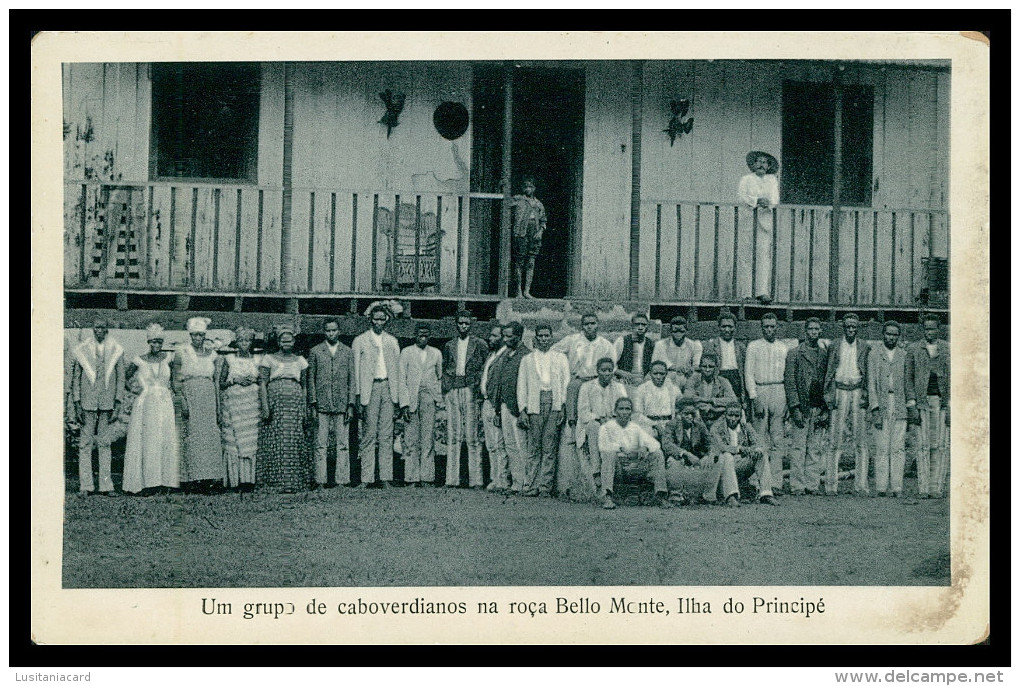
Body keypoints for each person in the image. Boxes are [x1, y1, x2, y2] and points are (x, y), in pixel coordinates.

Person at [122, 323, 179, 495]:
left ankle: (165, 482)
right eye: (153, 342)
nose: (156, 345)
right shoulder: (139, 360)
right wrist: (134, 390)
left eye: (159, 342)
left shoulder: (169, 358)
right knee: (149, 440)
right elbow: (124, 377)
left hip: (165, 401)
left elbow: (174, 381)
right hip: (146, 403)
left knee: (165, 439)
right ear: (148, 342)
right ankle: (148, 482)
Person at [70, 318, 125, 496]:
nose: (99, 330)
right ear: (92, 329)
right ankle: (85, 486)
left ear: (107, 329)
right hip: (87, 404)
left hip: (107, 404)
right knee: (85, 444)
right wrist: (77, 403)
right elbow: (76, 379)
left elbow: (121, 379)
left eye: (102, 327)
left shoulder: (116, 350)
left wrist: (117, 403)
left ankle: (106, 486)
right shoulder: (82, 349)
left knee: (104, 443)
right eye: (96, 327)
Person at [517, 324, 571, 497]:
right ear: (536, 338)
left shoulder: (560, 358)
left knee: (549, 445)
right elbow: (522, 385)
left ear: (551, 337)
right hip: (534, 402)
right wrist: (523, 409)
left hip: (553, 402)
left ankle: (545, 486)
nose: (544, 339)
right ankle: (531, 484)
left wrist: (562, 406)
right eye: (540, 336)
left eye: (547, 336)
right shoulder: (528, 359)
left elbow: (565, 384)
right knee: (534, 446)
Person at [352, 304, 402, 487]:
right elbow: (356, 370)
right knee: (368, 434)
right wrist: (358, 395)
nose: (379, 322)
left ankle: (385, 477)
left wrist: (397, 397)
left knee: (386, 435)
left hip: (387, 387)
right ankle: (366, 478)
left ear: (386, 320)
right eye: (376, 319)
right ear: (370, 319)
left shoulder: (392, 341)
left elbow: (397, 370)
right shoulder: (360, 341)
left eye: (382, 319)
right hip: (369, 388)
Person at [173, 316, 224, 492]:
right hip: (191, 395)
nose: (197, 338)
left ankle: (209, 478)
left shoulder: (213, 354)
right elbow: (176, 381)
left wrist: (217, 406)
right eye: (194, 335)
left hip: (208, 397)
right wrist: (183, 402)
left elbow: (216, 382)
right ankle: (192, 479)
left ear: (204, 335)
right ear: (190, 335)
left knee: (209, 438)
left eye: (200, 335)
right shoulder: (182, 352)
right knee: (192, 437)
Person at [257, 326, 311, 493]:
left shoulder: (300, 361)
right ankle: (275, 483)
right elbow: (263, 384)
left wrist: (304, 408)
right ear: (278, 342)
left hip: (294, 406)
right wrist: (265, 406)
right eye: (283, 341)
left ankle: (293, 483)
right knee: (277, 441)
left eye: (289, 341)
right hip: (276, 406)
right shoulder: (268, 359)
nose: (286, 343)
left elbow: (304, 386)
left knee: (293, 440)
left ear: (294, 342)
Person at [823, 313, 871, 496]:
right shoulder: (835, 345)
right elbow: (828, 371)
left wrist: (866, 394)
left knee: (861, 440)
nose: (851, 329)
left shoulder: (864, 347)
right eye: (848, 326)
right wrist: (828, 393)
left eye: (854, 327)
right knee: (835, 439)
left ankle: (861, 485)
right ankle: (831, 485)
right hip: (839, 389)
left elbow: (867, 372)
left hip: (857, 390)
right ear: (843, 327)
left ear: (857, 328)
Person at [596, 397, 671, 510]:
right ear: (615, 411)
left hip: (635, 466)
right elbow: (603, 446)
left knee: (657, 454)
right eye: (621, 409)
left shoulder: (635, 427)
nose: (625, 412)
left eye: (628, 409)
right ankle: (607, 497)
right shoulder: (606, 427)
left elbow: (655, 444)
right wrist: (622, 449)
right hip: (618, 467)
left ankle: (660, 495)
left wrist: (645, 448)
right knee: (609, 455)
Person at [441, 310, 489, 488]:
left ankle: (476, 480)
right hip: (454, 388)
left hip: (470, 389)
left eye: (466, 323)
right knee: (453, 435)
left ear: (471, 325)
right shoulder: (449, 345)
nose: (463, 326)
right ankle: (451, 479)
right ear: (456, 324)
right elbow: (446, 366)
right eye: (460, 323)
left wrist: (477, 384)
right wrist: (446, 387)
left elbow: (485, 366)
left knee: (472, 436)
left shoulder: (479, 344)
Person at [905, 313, 950, 499]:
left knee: (940, 446)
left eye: (932, 328)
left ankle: (936, 487)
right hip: (922, 402)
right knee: (922, 445)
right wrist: (912, 404)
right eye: (926, 328)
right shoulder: (914, 349)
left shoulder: (947, 349)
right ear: (922, 330)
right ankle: (923, 488)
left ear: (938, 329)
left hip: (941, 402)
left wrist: (951, 404)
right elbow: (908, 379)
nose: (929, 331)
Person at [307, 318, 355, 489]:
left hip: (341, 403)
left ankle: (342, 480)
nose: (331, 333)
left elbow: (352, 379)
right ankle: (320, 480)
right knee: (321, 443)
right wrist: (313, 402)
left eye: (334, 330)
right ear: (324, 332)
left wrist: (350, 404)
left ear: (339, 331)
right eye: (328, 330)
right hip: (322, 403)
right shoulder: (316, 351)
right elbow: (311, 378)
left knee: (342, 444)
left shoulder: (347, 352)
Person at [744, 313, 789, 494]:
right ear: (761, 328)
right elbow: (748, 373)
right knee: (759, 438)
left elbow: (786, 375)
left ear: (777, 327)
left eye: (772, 326)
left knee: (777, 439)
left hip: (779, 390)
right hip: (761, 389)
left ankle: (776, 482)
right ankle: (759, 481)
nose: (769, 329)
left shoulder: (783, 347)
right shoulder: (754, 346)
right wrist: (754, 397)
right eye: (766, 326)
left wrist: (786, 402)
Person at [783, 317, 828, 496]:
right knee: (798, 447)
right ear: (805, 331)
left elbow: (828, 380)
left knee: (815, 447)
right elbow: (790, 382)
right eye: (811, 329)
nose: (814, 333)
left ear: (820, 331)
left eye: (817, 329)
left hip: (818, 405)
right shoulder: (794, 353)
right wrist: (794, 407)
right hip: (803, 406)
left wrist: (826, 408)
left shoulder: (824, 354)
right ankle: (797, 484)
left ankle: (812, 483)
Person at [573, 357, 629, 500]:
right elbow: (583, 413)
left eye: (610, 370)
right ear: (597, 371)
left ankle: (608, 488)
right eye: (603, 370)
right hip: (591, 428)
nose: (607, 374)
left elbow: (624, 410)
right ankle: (596, 470)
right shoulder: (587, 387)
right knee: (594, 426)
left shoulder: (618, 388)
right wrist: (598, 417)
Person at [868, 321, 912, 498]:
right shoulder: (875, 354)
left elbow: (908, 382)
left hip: (899, 403)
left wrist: (909, 406)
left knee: (898, 447)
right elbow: (871, 383)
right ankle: (880, 487)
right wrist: (875, 407)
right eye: (888, 334)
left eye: (895, 335)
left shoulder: (904, 354)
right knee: (882, 446)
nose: (891, 337)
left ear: (898, 337)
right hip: (882, 401)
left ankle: (897, 487)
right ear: (883, 334)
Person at [216, 326, 261, 492]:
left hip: (251, 404)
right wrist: (234, 380)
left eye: (248, 340)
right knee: (234, 442)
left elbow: (263, 381)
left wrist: (253, 380)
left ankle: (249, 480)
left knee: (250, 440)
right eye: (241, 340)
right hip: (234, 404)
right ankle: (236, 480)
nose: (244, 344)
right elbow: (221, 383)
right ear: (237, 342)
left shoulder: (257, 359)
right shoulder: (229, 359)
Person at [710, 401, 779, 506]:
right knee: (727, 455)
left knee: (761, 455)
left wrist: (757, 450)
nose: (733, 419)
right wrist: (740, 449)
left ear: (740, 416)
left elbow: (758, 443)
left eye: (736, 416)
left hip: (740, 465)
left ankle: (766, 494)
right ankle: (731, 496)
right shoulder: (716, 428)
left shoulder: (746, 427)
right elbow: (721, 447)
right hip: (721, 468)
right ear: (725, 415)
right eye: (730, 415)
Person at [399, 323, 443, 487]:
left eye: (426, 334)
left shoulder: (436, 353)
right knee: (410, 438)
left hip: (428, 398)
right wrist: (404, 404)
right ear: (415, 335)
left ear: (430, 335)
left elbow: (439, 377)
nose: (422, 337)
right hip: (411, 398)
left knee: (427, 438)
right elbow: (401, 379)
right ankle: (411, 477)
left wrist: (437, 397)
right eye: (419, 334)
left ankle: (427, 477)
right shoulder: (407, 352)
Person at [661, 397, 726, 506]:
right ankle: (676, 496)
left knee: (718, 459)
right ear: (680, 414)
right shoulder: (671, 425)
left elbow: (711, 442)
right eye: (686, 414)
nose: (690, 417)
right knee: (672, 461)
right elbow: (667, 444)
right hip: (680, 460)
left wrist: (710, 455)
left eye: (692, 413)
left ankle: (709, 496)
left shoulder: (699, 425)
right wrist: (685, 453)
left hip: (697, 461)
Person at [490, 321, 530, 494]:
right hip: (505, 405)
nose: (505, 339)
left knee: (522, 446)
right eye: (504, 336)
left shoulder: (526, 356)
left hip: (519, 407)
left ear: (519, 336)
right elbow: (499, 382)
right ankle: (515, 482)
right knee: (510, 445)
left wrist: (524, 410)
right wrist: (498, 409)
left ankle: (526, 483)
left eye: (509, 336)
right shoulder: (506, 354)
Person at [738, 150, 780, 304]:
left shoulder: (772, 180)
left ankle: (761, 291)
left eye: (765, 162)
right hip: (748, 220)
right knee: (746, 256)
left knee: (763, 255)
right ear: (753, 164)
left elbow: (775, 198)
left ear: (768, 166)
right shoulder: (746, 179)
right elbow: (742, 196)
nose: (761, 165)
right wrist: (756, 200)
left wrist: (768, 203)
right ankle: (746, 293)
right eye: (758, 161)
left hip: (764, 221)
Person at [479, 323, 509, 493]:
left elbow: (500, 384)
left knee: (499, 443)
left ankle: (502, 479)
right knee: (491, 443)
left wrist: (497, 409)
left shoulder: (504, 356)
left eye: (495, 336)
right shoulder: (492, 354)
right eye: (491, 336)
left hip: (495, 402)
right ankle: (494, 478)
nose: (491, 339)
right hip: (486, 401)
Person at [509, 175, 547, 299]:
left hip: (534, 234)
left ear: (534, 188)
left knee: (531, 262)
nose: (528, 189)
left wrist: (540, 231)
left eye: (530, 187)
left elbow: (543, 220)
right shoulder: (518, 199)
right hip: (521, 233)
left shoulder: (538, 204)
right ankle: (518, 291)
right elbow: (505, 204)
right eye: (525, 186)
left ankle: (527, 291)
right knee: (519, 262)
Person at [702, 311, 748, 414]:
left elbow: (744, 371)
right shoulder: (711, 345)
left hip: (736, 379)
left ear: (735, 328)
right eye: (724, 326)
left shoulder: (741, 347)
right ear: (719, 327)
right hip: (720, 378)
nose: (727, 330)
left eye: (730, 326)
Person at [683, 353, 737, 425]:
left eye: (711, 367)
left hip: (718, 419)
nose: (707, 369)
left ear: (716, 367)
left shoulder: (723, 381)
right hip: (698, 418)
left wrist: (711, 402)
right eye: (704, 366)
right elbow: (687, 397)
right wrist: (708, 403)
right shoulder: (693, 379)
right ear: (700, 367)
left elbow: (732, 400)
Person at [632, 360, 682, 437]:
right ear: (650, 373)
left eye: (662, 374)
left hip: (669, 426)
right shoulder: (642, 389)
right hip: (649, 426)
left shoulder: (673, 388)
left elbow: (682, 404)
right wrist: (655, 425)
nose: (658, 377)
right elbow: (637, 415)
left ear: (666, 374)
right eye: (655, 373)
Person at [652, 315, 702, 390]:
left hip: (686, 377)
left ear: (686, 330)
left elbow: (696, 364)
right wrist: (674, 368)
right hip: (667, 377)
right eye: (675, 331)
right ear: (670, 331)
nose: (678, 334)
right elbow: (655, 362)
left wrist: (692, 368)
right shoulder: (661, 344)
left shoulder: (693, 345)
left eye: (681, 331)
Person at [614, 313, 654, 391]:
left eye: (643, 324)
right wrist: (623, 373)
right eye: (637, 324)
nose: (640, 327)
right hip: (625, 382)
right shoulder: (622, 341)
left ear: (647, 327)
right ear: (632, 326)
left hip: (644, 383)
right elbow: (610, 364)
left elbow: (654, 366)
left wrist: (646, 379)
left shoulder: (651, 344)